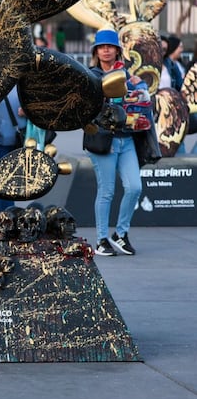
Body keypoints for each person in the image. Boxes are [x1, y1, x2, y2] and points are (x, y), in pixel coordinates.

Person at [84, 29, 142, 257]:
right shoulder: (89, 75)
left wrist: (139, 90)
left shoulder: (128, 75)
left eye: (110, 46)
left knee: (135, 187)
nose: (106, 50)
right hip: (102, 140)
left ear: (117, 50)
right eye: (101, 46)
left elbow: (141, 101)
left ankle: (120, 234)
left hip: (126, 138)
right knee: (106, 191)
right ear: (96, 51)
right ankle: (101, 240)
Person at [0, 86, 27, 213]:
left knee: (6, 183)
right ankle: (8, 217)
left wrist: (28, 111)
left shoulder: (20, 84)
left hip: (19, 141)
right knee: (5, 183)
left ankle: (1, 219)